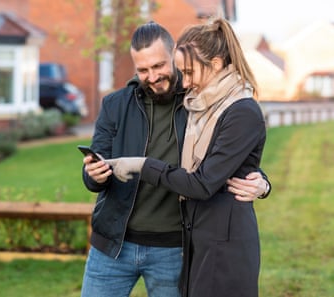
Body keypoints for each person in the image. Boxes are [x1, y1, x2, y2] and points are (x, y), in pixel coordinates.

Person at [80, 21, 271, 297]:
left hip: (173, 248)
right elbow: (94, 170)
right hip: (113, 245)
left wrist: (261, 182)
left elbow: (225, 158)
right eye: (143, 70)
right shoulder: (115, 105)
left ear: (174, 57)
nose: (152, 76)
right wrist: (93, 175)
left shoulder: (197, 102)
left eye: (159, 66)